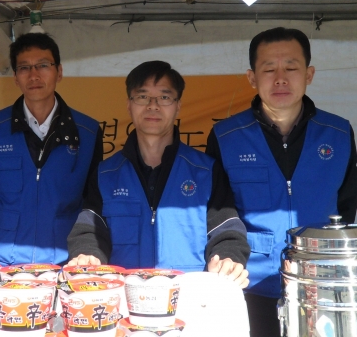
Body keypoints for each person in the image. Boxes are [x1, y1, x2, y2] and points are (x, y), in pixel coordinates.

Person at [205, 27, 357, 337]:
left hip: (321, 287)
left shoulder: (339, 133)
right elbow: (218, 209)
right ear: (251, 77)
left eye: (291, 67)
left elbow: (347, 204)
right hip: (248, 285)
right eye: (269, 69)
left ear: (309, 73)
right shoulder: (226, 136)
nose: (280, 78)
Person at [67, 60, 250, 287]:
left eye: (164, 97)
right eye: (142, 97)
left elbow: (227, 231)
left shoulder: (206, 171)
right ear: (129, 104)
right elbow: (89, 230)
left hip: (188, 300)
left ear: (178, 105)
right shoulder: (106, 173)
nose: (153, 106)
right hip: (124, 300)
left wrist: (226, 259)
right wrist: (87, 254)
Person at [0, 32, 103, 266]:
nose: (34, 75)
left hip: (64, 261)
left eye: (43, 65)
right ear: (15, 77)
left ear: (59, 71)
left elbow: (93, 201)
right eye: (24, 68)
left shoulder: (88, 131)